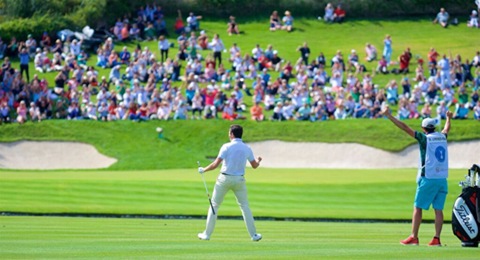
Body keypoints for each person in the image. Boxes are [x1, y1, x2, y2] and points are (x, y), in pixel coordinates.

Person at [381, 105, 452, 247]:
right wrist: (448, 118)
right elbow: (446, 129)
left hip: (429, 177)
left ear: (424, 129)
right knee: (438, 209)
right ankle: (436, 239)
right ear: (434, 128)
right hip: (442, 178)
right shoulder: (442, 137)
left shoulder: (424, 139)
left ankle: (414, 236)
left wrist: (389, 116)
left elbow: (405, 127)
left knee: (418, 207)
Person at [197, 124, 263, 241]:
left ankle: (207, 235)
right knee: (245, 206)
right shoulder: (247, 148)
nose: (228, 134)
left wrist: (203, 170)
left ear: (232, 134)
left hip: (224, 179)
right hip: (239, 180)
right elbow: (254, 166)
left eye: (229, 133)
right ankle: (254, 235)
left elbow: (215, 164)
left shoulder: (226, 146)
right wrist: (258, 160)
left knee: (215, 205)